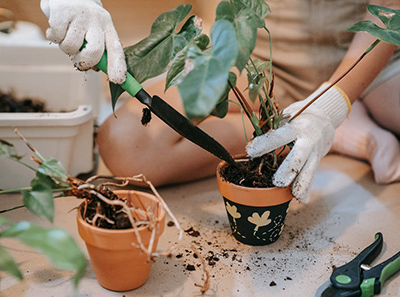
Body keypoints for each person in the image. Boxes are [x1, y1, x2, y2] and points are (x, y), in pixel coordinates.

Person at [40, 0, 400, 203]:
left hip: (369, 56)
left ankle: (328, 114)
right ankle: (310, 127)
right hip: (249, 55)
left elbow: (389, 13)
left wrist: (334, 101)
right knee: (126, 143)